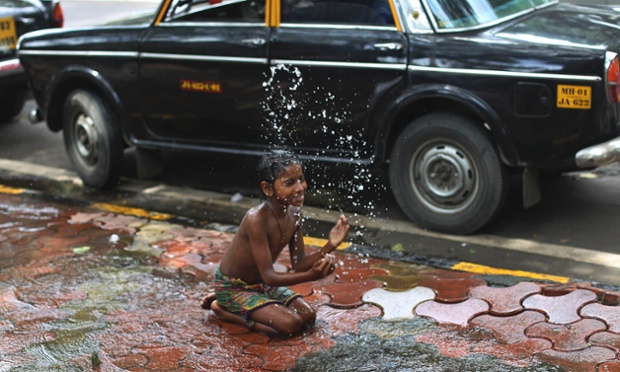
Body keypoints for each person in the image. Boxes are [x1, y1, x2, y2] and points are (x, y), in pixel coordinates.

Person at [201, 150, 350, 337]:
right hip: (234, 287)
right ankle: (223, 308)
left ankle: (243, 305)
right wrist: (312, 275)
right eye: (289, 182)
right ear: (268, 189)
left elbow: (299, 263)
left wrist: (331, 245)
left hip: (261, 285)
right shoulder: (256, 219)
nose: (300, 188)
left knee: (308, 316)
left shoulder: (295, 213)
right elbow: (270, 276)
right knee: (290, 325)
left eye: (301, 179)